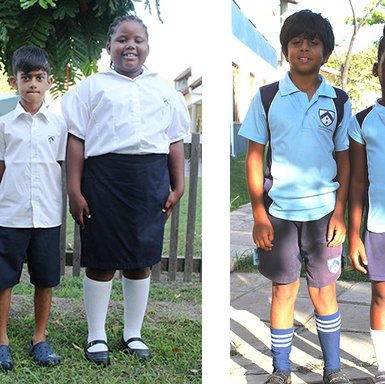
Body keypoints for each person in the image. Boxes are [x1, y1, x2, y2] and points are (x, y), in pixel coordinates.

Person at [61, 15, 190, 365]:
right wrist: (75, 189)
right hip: (104, 179)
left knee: (140, 261)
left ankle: (133, 332)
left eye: (138, 40)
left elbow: (175, 139)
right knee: (101, 260)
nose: (130, 45)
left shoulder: (164, 88)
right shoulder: (91, 88)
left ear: (148, 46)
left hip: (149, 180)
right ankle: (96, 334)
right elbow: (76, 141)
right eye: (121, 39)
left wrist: (177, 185)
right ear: (109, 46)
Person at [238, 9, 352, 384]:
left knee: (324, 294)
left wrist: (340, 214)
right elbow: (255, 156)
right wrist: (258, 213)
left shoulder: (337, 100)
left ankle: (333, 370)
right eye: (297, 42)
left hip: (323, 216)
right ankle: (281, 370)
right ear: (286, 50)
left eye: (313, 42)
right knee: (283, 292)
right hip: (280, 215)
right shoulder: (268, 96)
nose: (304, 48)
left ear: (326, 51)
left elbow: (344, 159)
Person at [0, 46, 66, 371]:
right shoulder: (3, 125)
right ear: (15, 81)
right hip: (9, 215)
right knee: (3, 279)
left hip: (47, 217)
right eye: (26, 77)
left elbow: (63, 167)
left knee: (45, 279)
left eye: (40, 78)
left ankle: (39, 337)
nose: (33, 84)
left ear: (49, 82)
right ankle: (2, 341)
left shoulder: (58, 126)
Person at [348, 26, 385, 384]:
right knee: (381, 296)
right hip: (379, 226)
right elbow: (358, 183)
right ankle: (382, 367)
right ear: (376, 68)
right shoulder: (363, 121)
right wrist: (355, 235)